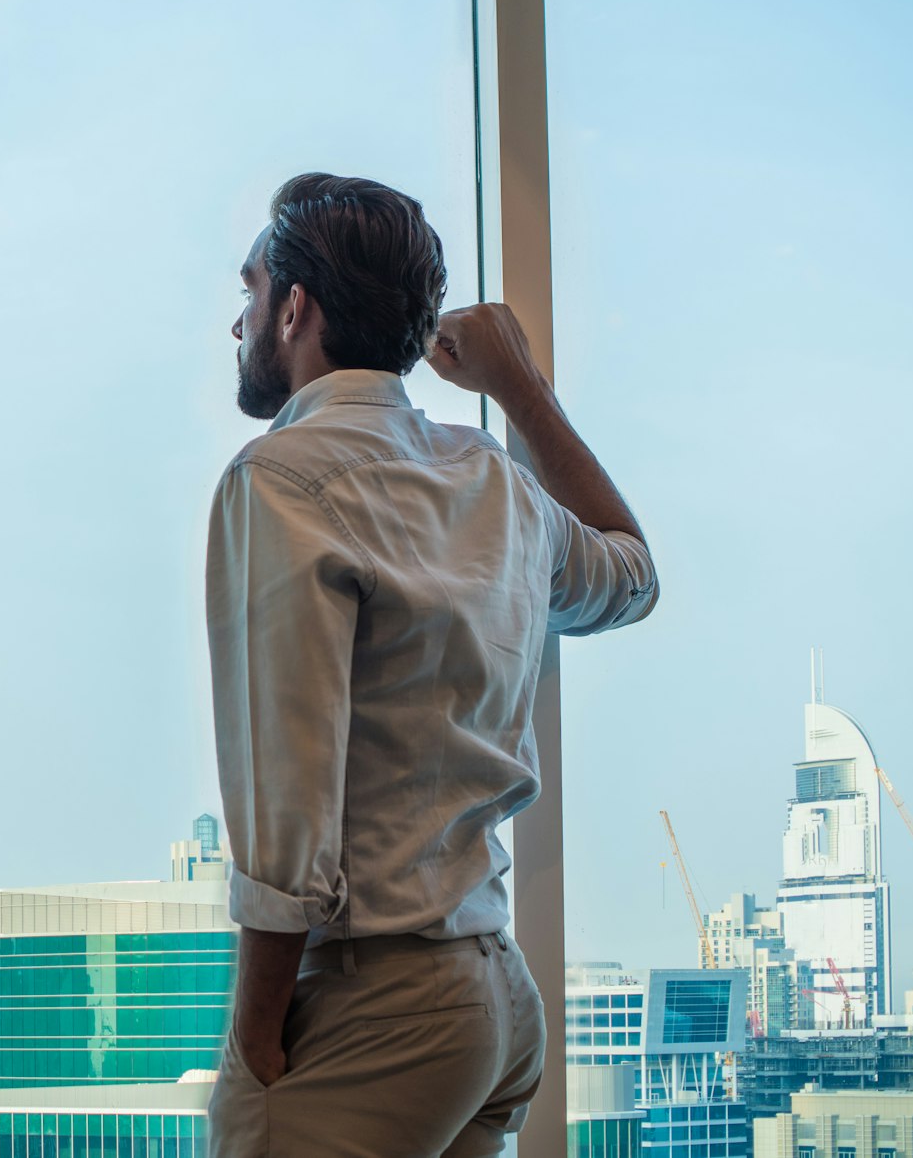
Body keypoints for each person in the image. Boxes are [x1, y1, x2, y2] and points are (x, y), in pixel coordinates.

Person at [205, 173, 658, 1157]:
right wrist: (517, 388)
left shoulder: (277, 480)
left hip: (378, 1005)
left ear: (293, 310)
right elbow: (627, 571)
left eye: (246, 293)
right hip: (493, 1006)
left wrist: (251, 1038)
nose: (234, 323)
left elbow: (287, 795)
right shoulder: (487, 477)